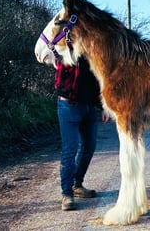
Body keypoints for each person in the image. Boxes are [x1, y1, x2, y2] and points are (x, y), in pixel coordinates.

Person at [55, 55, 109, 211]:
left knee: (89, 146)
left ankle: (77, 184)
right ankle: (66, 194)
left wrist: (104, 105)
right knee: (70, 149)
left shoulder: (94, 51)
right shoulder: (66, 48)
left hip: (89, 107)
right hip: (68, 105)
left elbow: (99, 79)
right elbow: (57, 61)